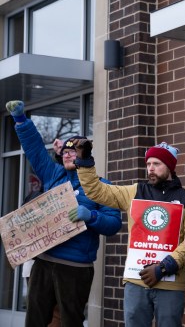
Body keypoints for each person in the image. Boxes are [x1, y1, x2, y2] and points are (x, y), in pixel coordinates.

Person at [5, 100, 122, 327]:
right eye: (65, 152)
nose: (68, 155)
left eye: (74, 151)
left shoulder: (102, 187)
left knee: (70, 321)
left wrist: (91, 216)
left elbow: (114, 224)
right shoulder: (53, 175)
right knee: (35, 320)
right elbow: (35, 150)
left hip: (75, 267)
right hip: (44, 261)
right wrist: (21, 121)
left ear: (84, 155)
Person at [72, 140, 185, 327]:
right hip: (135, 279)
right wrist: (85, 162)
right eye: (148, 164)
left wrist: (163, 267)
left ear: (170, 166)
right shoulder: (136, 191)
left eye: (156, 164)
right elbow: (97, 192)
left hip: (170, 282)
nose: (150, 169)